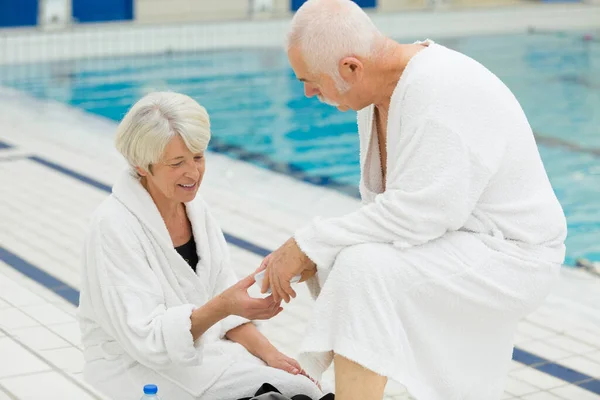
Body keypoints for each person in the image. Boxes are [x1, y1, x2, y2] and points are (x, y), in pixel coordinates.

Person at [259, 1, 568, 399]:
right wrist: (317, 250)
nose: (306, 92)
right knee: (351, 260)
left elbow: (423, 215)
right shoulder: (373, 99)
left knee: (363, 267)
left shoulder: (440, 90)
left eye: (310, 80)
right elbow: (391, 215)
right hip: (460, 238)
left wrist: (309, 243)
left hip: (515, 255)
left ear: (351, 68)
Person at [77, 92, 323, 400]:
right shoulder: (113, 226)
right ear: (142, 165)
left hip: (204, 359)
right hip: (137, 370)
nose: (193, 173)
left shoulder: (195, 209)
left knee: (306, 390)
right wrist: (222, 306)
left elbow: (227, 310)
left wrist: (272, 356)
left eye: (198, 157)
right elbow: (148, 339)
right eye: (177, 162)